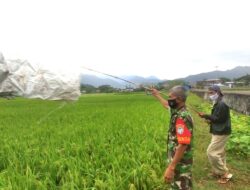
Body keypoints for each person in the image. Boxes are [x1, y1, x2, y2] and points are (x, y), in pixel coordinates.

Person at [151, 86, 193, 190]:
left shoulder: (181, 117)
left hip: (181, 163)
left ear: (179, 99)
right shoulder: (177, 111)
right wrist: (157, 95)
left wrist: (171, 167)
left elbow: (183, 144)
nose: (169, 99)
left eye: (170, 97)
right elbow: (166, 105)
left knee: (181, 186)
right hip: (178, 160)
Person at [198, 85, 233, 184]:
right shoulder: (218, 103)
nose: (210, 95)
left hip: (221, 132)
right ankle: (218, 171)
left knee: (211, 152)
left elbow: (218, 119)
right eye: (209, 93)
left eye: (212, 93)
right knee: (220, 152)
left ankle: (224, 173)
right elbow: (218, 118)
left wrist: (205, 115)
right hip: (219, 130)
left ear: (218, 92)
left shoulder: (221, 104)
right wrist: (210, 120)